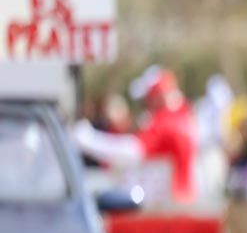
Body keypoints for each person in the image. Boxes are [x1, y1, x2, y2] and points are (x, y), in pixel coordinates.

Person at [72, 66, 199, 204]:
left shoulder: (167, 122)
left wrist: (89, 140)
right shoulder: (183, 115)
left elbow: (132, 152)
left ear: (157, 95)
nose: (145, 105)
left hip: (172, 204)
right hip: (182, 199)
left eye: (147, 99)